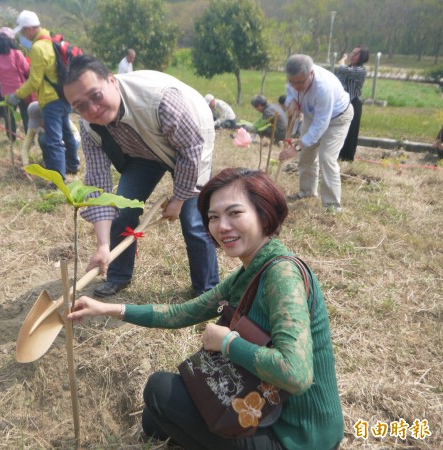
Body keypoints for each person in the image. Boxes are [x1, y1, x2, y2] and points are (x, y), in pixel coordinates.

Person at [67, 167, 344, 450]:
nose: (222, 226)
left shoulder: (282, 275)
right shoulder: (251, 271)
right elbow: (182, 313)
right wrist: (105, 308)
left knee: (159, 390)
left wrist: (227, 343)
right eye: (213, 217)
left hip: (298, 438)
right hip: (266, 411)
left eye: (235, 213)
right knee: (153, 419)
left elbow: (295, 375)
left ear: (264, 213)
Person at [63, 55, 219, 298]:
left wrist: (178, 200)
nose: (92, 109)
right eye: (80, 106)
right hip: (142, 151)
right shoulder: (88, 126)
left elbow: (190, 150)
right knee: (121, 210)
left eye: (96, 96)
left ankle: (207, 291)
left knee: (193, 221)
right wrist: (103, 246)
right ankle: (118, 275)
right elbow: (98, 184)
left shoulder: (159, 100)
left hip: (192, 141)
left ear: (112, 81)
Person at [8, 10, 80, 179]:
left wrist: (17, 95)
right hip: (64, 96)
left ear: (29, 29)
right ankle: (73, 165)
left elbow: (34, 82)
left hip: (50, 99)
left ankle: (57, 180)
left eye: (24, 31)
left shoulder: (38, 48)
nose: (24, 35)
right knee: (67, 133)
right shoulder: (53, 39)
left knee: (54, 141)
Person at [278, 54, 352, 212]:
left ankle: (332, 206)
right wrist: (290, 102)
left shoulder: (323, 87)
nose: (296, 86)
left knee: (327, 158)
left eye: (301, 82)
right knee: (306, 156)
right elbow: (290, 93)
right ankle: (307, 192)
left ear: (311, 73)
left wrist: (296, 148)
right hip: (312, 117)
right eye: (293, 82)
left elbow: (321, 125)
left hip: (337, 119)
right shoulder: (294, 79)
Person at [0, 29, 30, 140]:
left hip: (6, 93)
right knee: (25, 115)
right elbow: (26, 69)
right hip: (22, 90)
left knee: (9, 116)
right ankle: (30, 139)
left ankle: (11, 138)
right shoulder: (17, 54)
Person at [336, 46, 369, 161]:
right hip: (342, 103)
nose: (351, 55)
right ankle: (338, 154)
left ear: (361, 57)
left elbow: (343, 70)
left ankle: (347, 157)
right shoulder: (348, 67)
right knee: (340, 129)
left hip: (354, 102)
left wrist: (342, 62)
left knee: (351, 131)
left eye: (355, 54)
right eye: (352, 53)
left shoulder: (361, 70)